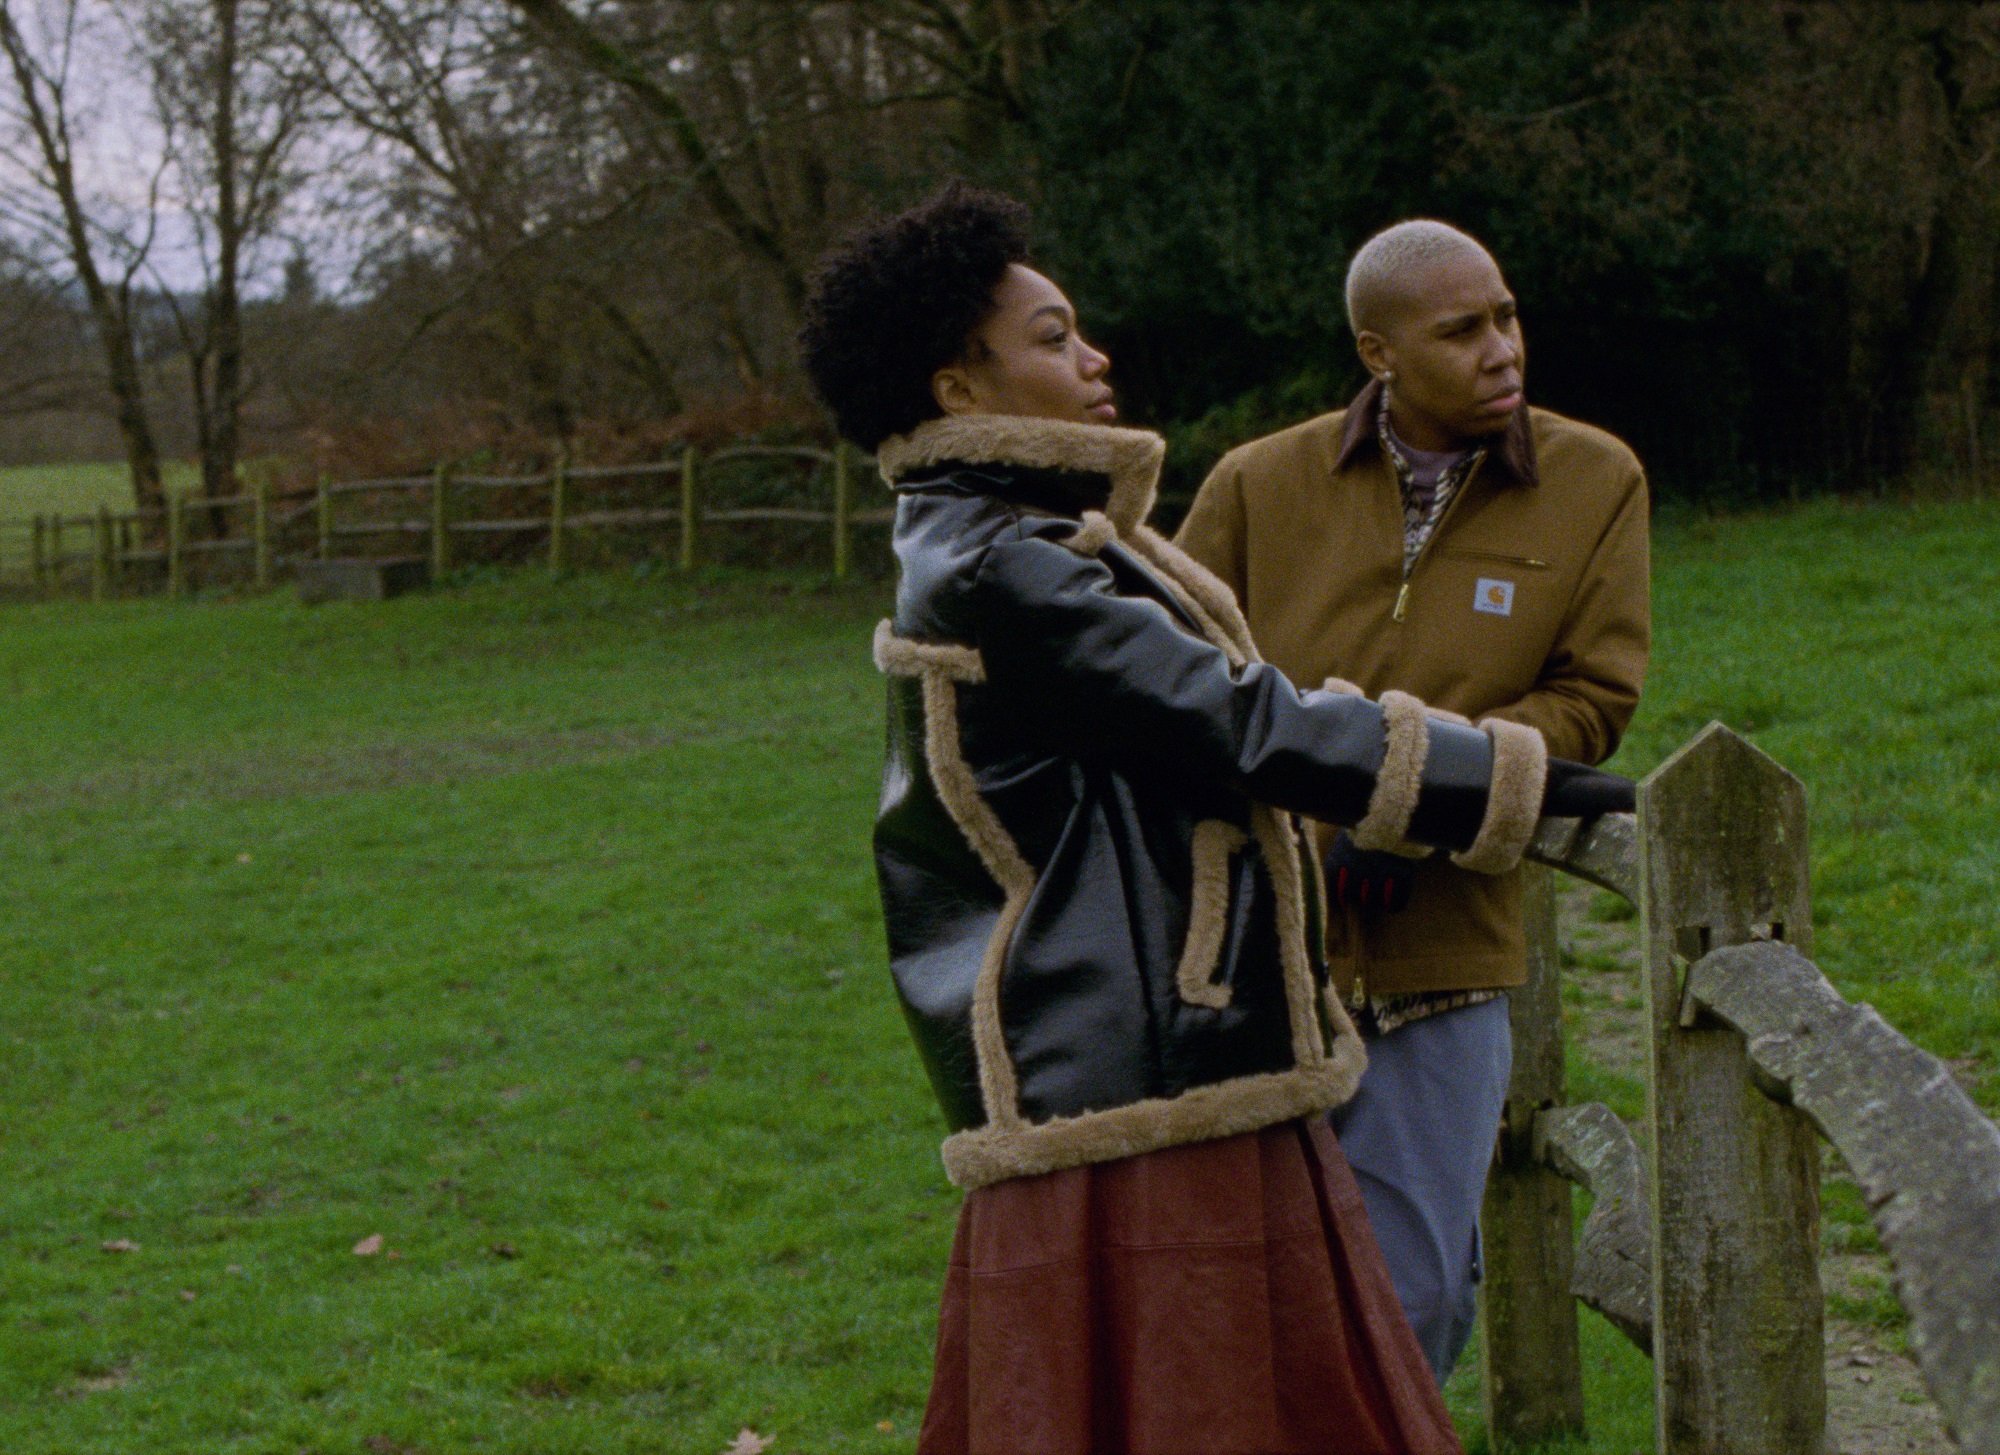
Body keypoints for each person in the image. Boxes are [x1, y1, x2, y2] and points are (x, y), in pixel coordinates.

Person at [797, 185, 1633, 1455]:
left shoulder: (1006, 537)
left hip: (1155, 1049)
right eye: (1051, 337)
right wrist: (1498, 776)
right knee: (1202, 1405)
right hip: (1133, 1068)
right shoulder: (1004, 561)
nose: (1093, 358)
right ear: (957, 390)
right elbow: (1244, 716)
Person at [1175, 219, 1651, 1384]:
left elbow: (1588, 701)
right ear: (1376, 352)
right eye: (1461, 330)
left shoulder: (1595, 479)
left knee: (1418, 1296)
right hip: (1248, 952)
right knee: (1234, 1284)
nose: (1502, 349)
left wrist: (1420, 807)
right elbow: (1176, 687)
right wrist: (1326, 824)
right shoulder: (1254, 483)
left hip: (1445, 952)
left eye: (1505, 315)